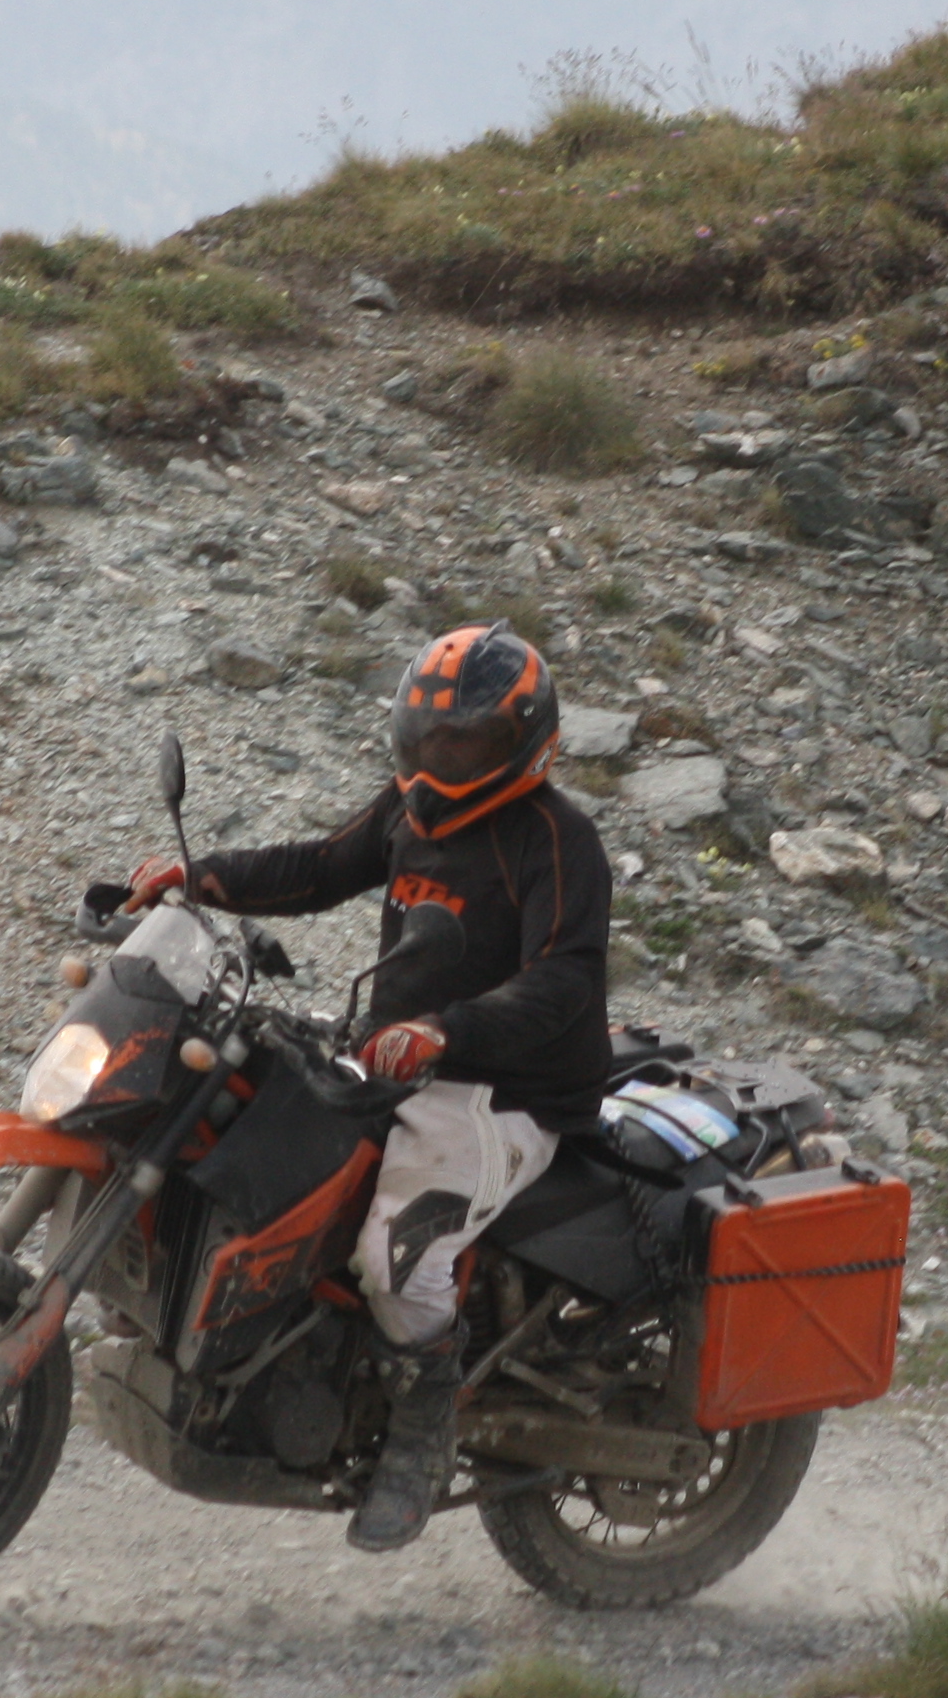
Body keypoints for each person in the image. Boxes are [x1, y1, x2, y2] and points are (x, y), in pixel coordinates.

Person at [124, 623, 611, 1552]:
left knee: (396, 1256)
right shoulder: (409, 809)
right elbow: (320, 867)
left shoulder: (556, 839)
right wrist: (201, 877)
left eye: (466, 741)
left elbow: (566, 979)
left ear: (525, 742)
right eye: (428, 737)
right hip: (393, 1065)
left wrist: (444, 1030)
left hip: (501, 1093)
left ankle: (423, 1438)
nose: (440, 758)